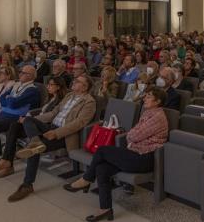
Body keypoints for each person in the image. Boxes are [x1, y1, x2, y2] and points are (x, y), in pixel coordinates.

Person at [63, 88, 168, 222]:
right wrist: (132, 135)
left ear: (157, 101)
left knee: (102, 150)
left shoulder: (158, 116)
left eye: (148, 96)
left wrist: (132, 135)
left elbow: (134, 135)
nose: (144, 98)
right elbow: (133, 135)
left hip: (144, 159)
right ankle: (105, 209)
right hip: (134, 153)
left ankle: (86, 179)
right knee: (102, 169)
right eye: (145, 96)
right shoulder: (148, 113)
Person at [6, 75, 96, 202]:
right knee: (28, 120)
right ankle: (33, 143)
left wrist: (56, 133)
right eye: (74, 79)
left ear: (85, 87)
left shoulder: (89, 102)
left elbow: (79, 123)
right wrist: (33, 120)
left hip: (64, 135)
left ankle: (27, 185)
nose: (74, 81)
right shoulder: (69, 96)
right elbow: (53, 113)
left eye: (78, 81)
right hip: (51, 126)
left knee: (34, 150)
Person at [0, 76, 68, 178]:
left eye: (51, 85)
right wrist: (29, 119)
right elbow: (42, 111)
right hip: (36, 123)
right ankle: (6, 161)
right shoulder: (51, 98)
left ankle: (8, 162)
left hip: (45, 126)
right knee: (14, 126)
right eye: (48, 84)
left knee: (16, 126)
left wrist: (30, 119)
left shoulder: (61, 101)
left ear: (58, 87)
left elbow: (51, 116)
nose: (48, 87)